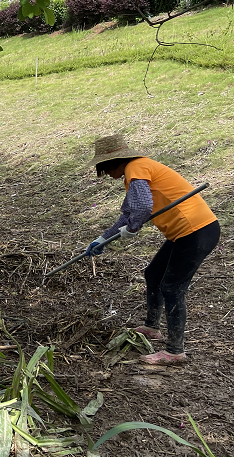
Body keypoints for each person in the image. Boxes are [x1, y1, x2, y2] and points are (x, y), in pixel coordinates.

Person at [84, 134, 219, 365]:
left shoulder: (136, 168)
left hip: (196, 230)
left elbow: (143, 208)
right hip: (184, 233)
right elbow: (129, 213)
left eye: (104, 169)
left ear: (110, 163)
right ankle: (152, 327)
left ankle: (175, 352)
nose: (106, 175)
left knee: (172, 287)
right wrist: (103, 239)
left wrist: (134, 227)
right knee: (154, 274)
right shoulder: (138, 170)